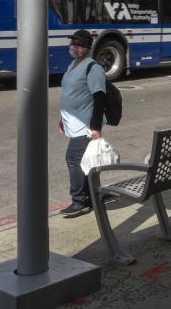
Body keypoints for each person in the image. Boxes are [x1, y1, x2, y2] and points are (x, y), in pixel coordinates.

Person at [58, 29, 107, 218]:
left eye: (79, 45)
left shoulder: (92, 68)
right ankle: (92, 197)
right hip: (73, 120)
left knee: (73, 158)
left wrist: (96, 128)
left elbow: (99, 98)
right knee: (86, 162)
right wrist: (62, 119)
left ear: (88, 48)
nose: (75, 48)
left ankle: (78, 200)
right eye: (73, 44)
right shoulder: (73, 65)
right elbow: (70, 94)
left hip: (85, 124)